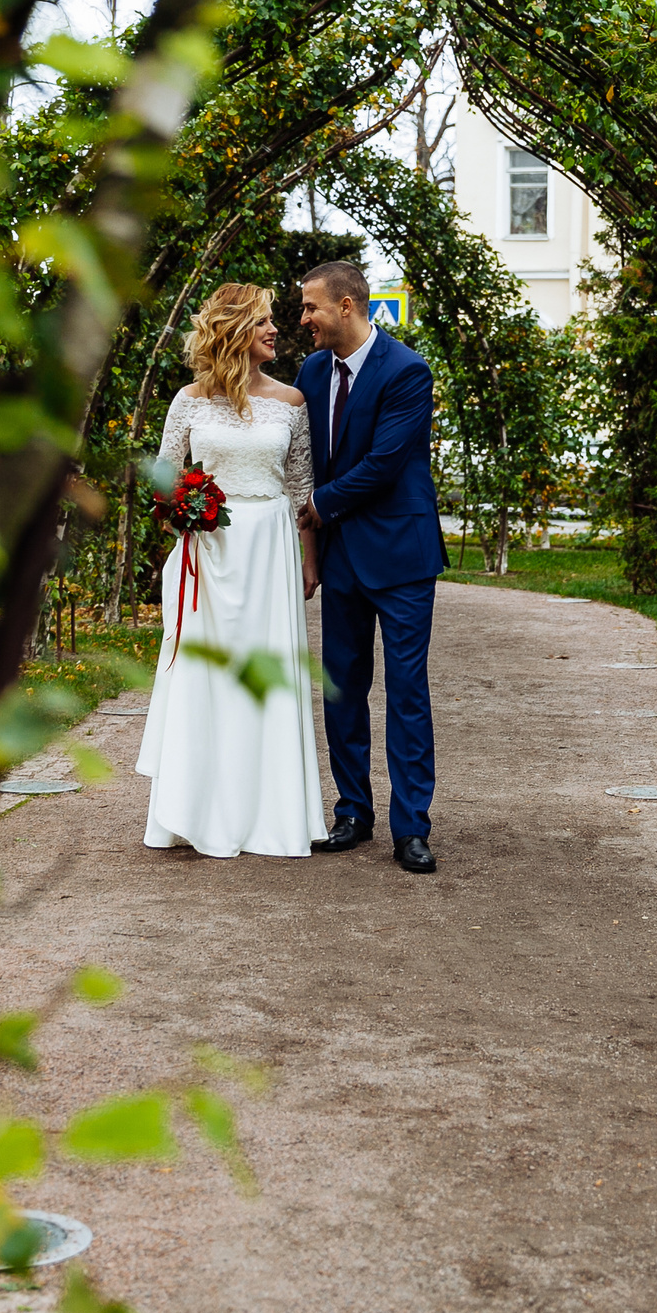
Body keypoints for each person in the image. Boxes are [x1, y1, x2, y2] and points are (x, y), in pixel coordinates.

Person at [137, 284, 328, 858]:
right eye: (265, 321)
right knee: (206, 676)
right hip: (209, 551)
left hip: (269, 548)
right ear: (235, 330)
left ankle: (269, 814)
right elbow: (164, 477)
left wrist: (308, 562)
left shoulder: (292, 403)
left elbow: (303, 490)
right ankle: (193, 810)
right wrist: (184, 512)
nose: (277, 329)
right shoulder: (189, 400)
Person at [294, 260, 446, 874]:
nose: (302, 319)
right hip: (343, 560)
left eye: (311, 308)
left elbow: (384, 464)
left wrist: (316, 506)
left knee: (407, 694)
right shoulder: (310, 371)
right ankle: (353, 812)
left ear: (347, 307)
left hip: (402, 556)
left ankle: (412, 827)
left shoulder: (407, 370)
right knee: (343, 691)